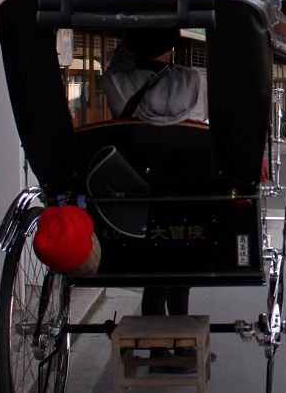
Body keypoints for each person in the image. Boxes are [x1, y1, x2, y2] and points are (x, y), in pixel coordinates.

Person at [103, 27, 207, 373]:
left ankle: (161, 351)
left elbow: (116, 66)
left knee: (154, 275)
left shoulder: (118, 82)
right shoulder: (193, 80)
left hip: (138, 192)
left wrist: (130, 38)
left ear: (132, 46)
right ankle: (180, 348)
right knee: (180, 269)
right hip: (187, 190)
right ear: (171, 46)